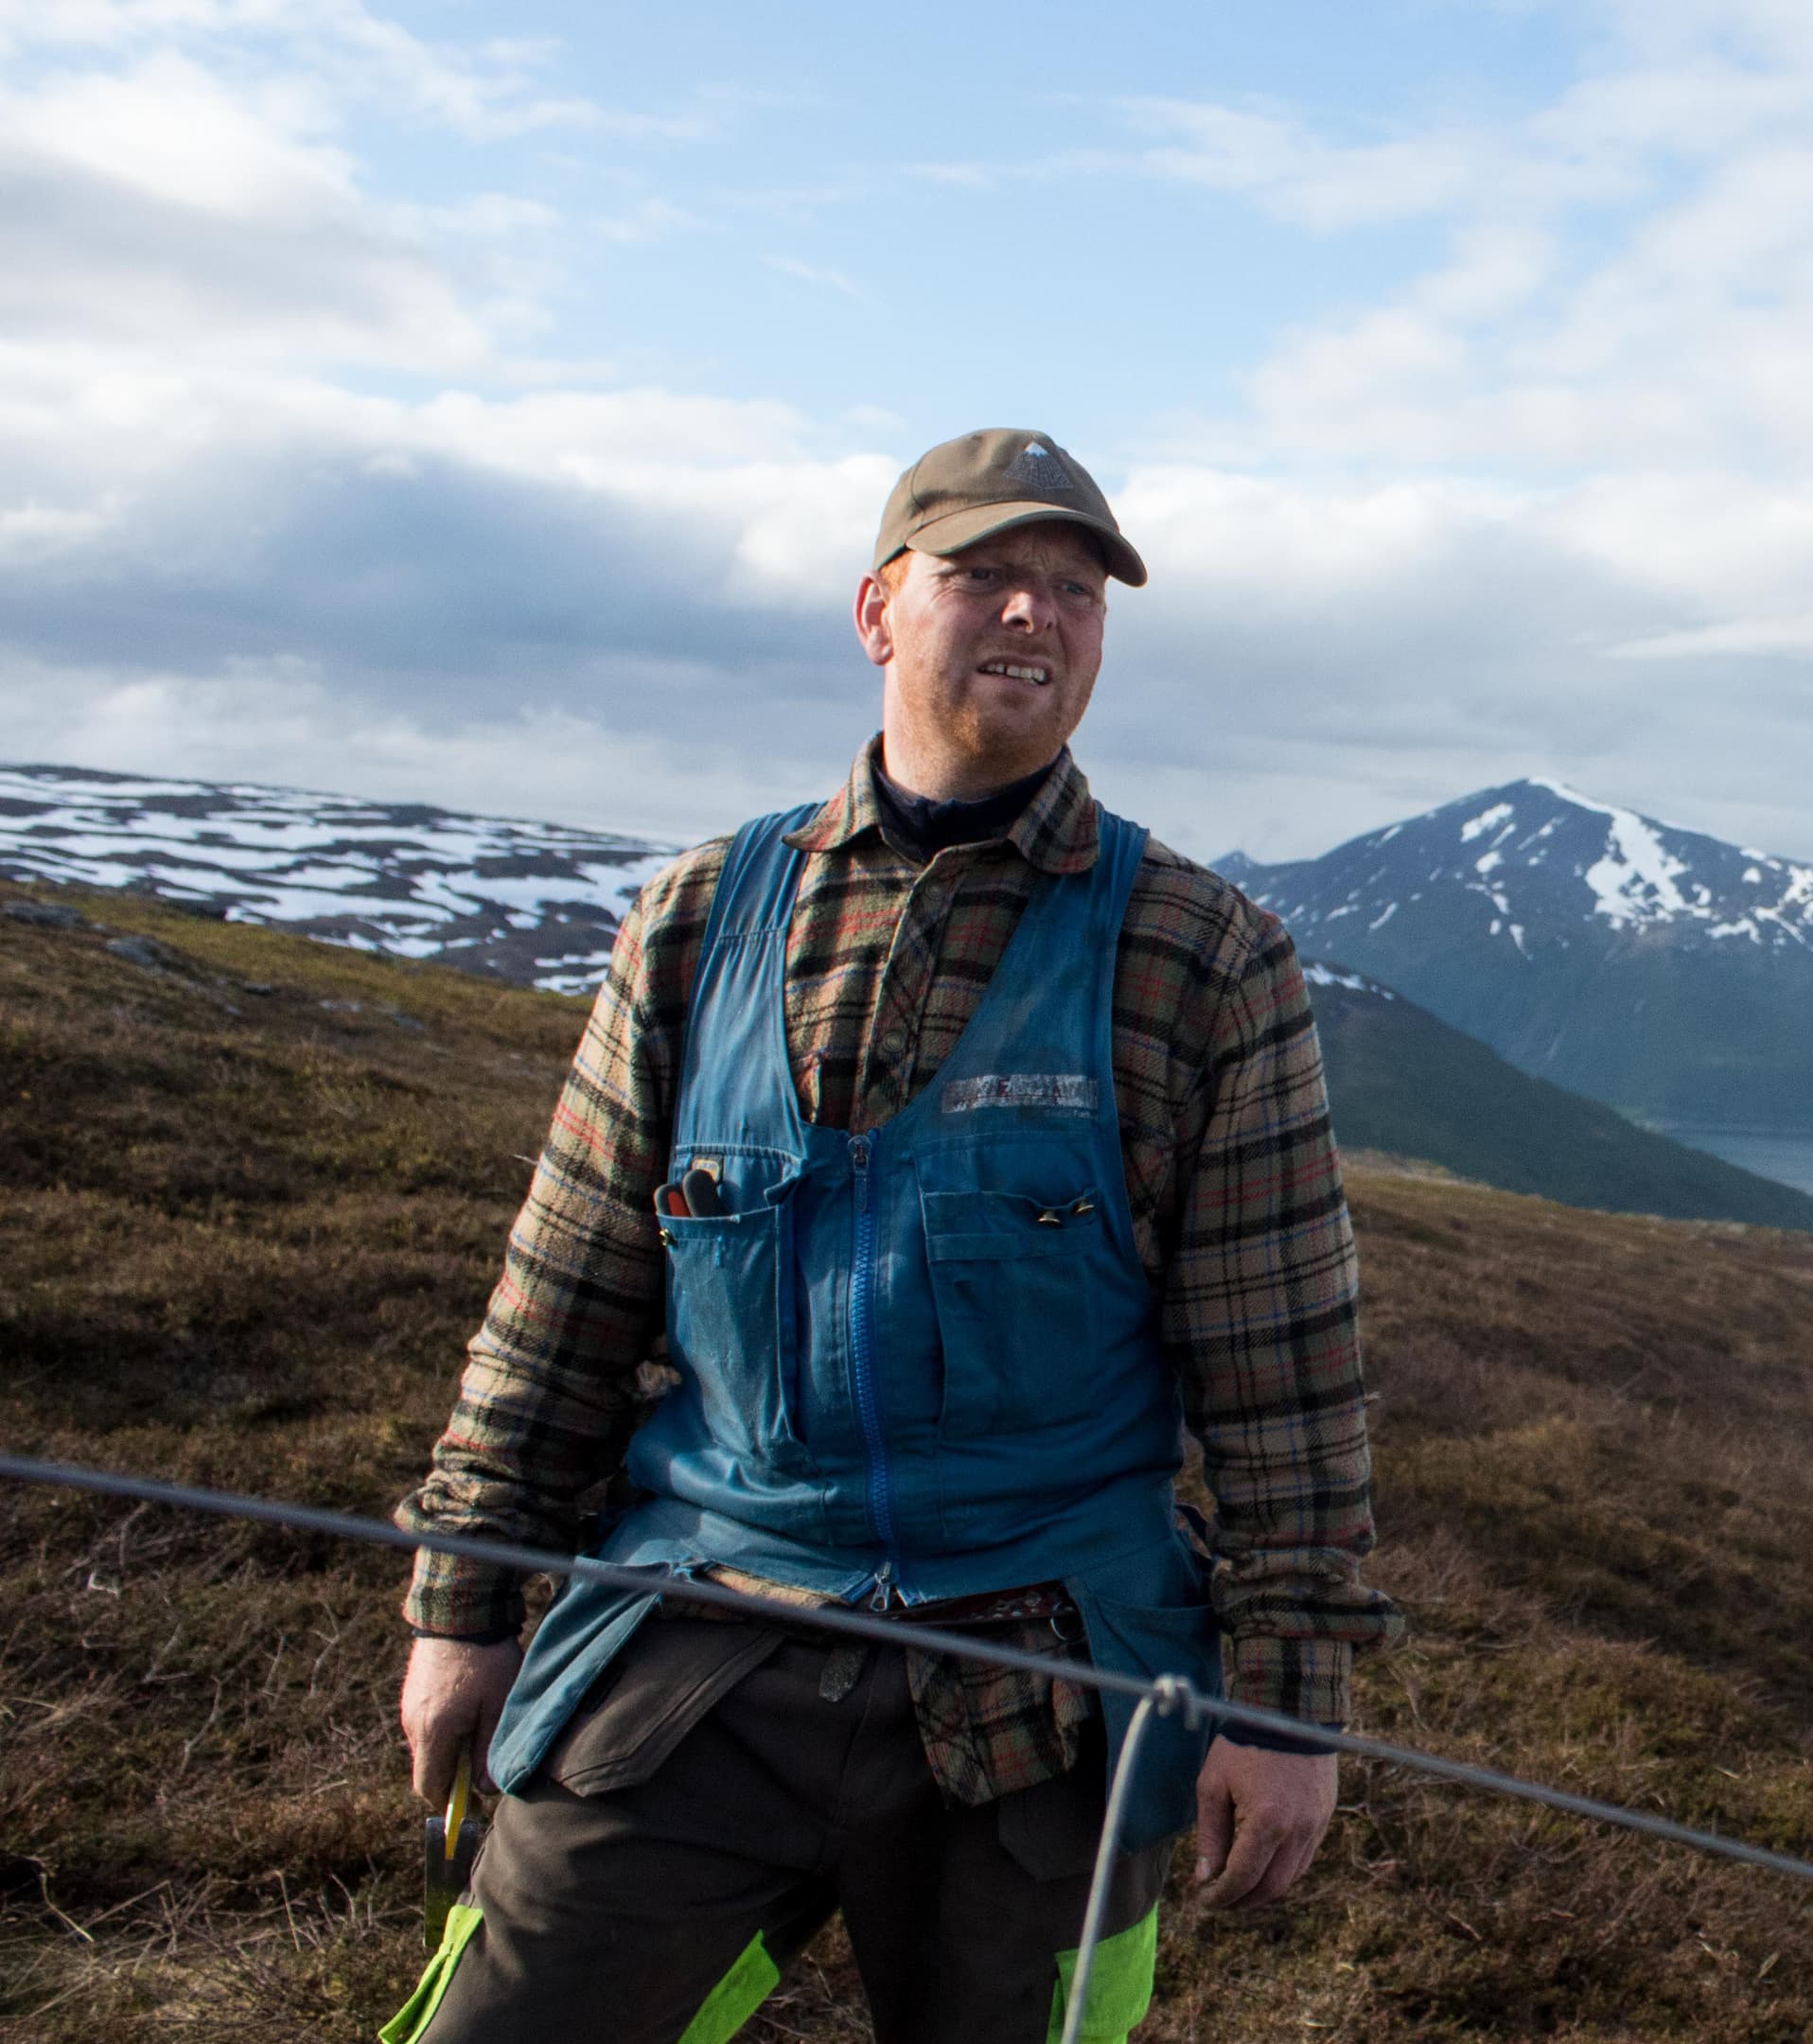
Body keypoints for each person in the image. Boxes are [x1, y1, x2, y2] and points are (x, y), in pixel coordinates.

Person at [384, 429, 1400, 2043]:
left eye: (1073, 590)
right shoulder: (700, 920)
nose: (1033, 616)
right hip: (703, 1629)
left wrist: (1286, 1710)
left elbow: (1286, 1381)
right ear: (877, 611)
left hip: (1053, 1673)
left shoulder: (1202, 956)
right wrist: (464, 1604)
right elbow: (562, 1295)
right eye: (985, 573)